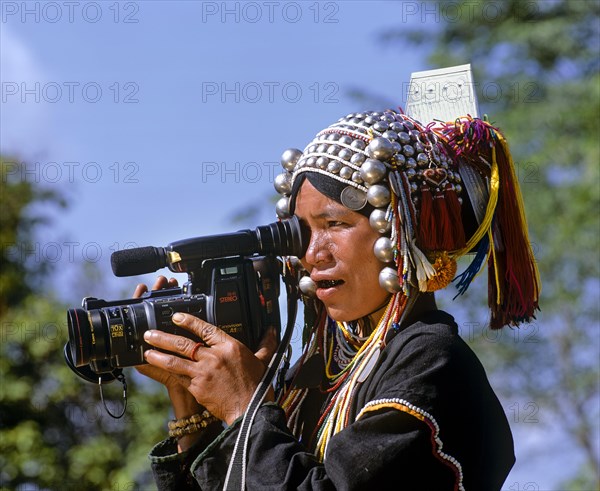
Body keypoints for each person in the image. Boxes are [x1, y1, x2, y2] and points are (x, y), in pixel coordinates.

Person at [135, 109, 540, 490]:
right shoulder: (314, 372)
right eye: (303, 233)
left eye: (335, 224)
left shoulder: (432, 363)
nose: (314, 255)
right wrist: (196, 414)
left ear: (401, 230)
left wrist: (245, 410)